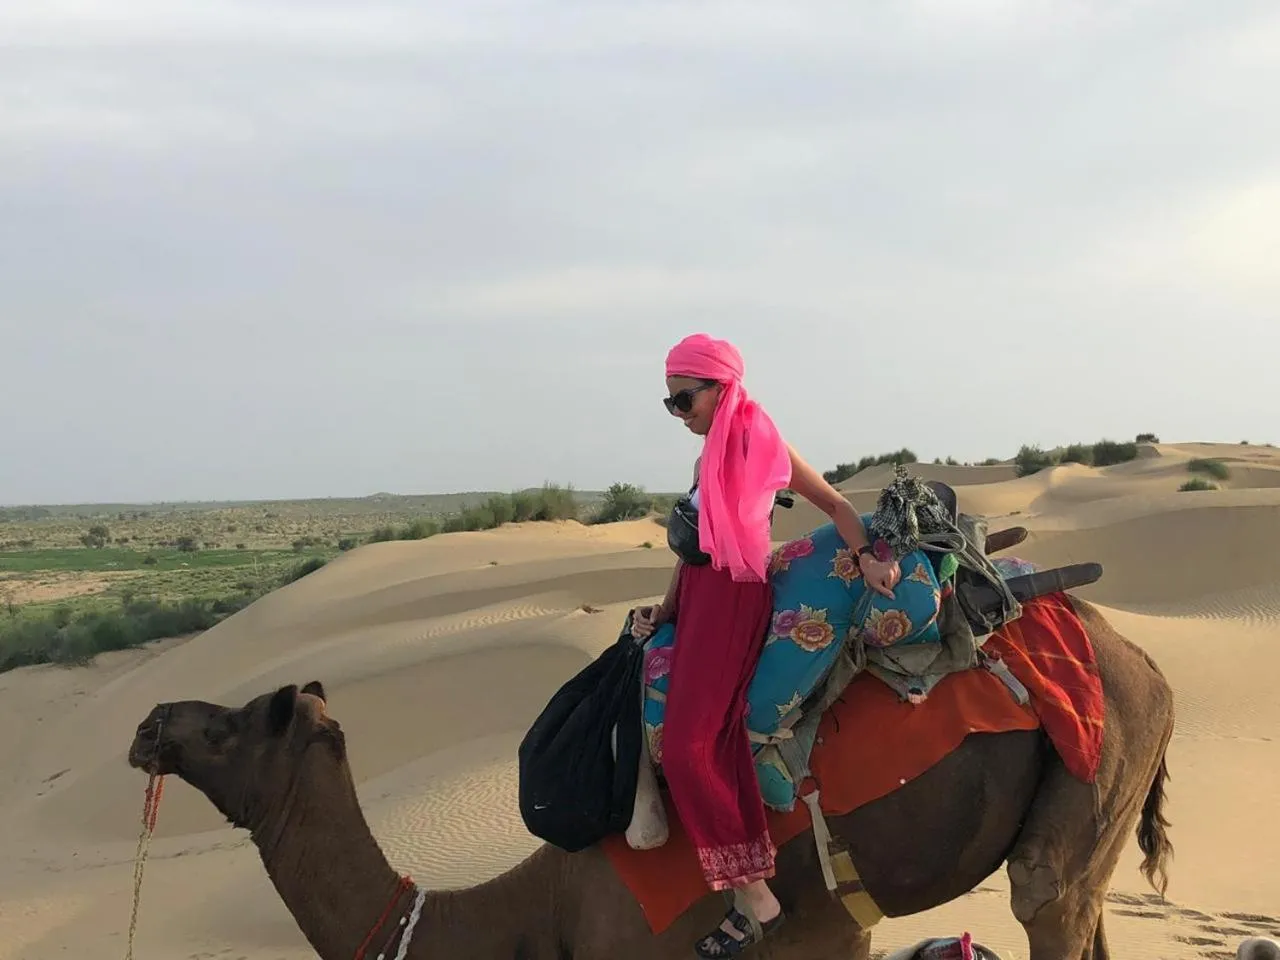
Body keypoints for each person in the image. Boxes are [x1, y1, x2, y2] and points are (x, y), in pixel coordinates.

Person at [631, 333, 901, 958]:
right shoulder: (706, 461)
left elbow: (835, 503)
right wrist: (665, 611)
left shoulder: (761, 441)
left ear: (720, 387)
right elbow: (690, 549)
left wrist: (866, 556)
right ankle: (737, 883)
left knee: (689, 745)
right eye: (670, 403)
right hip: (699, 594)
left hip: (734, 601)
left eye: (684, 400)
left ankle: (756, 894)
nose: (679, 414)